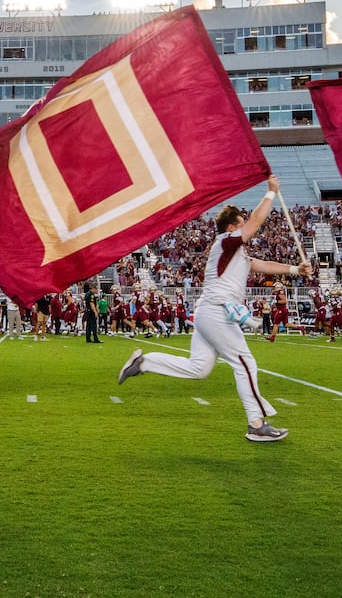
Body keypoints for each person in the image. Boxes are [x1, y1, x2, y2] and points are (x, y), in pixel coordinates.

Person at [117, 177, 313, 442]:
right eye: (241, 224)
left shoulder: (236, 252)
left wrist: (294, 270)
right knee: (245, 363)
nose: (245, 228)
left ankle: (144, 362)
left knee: (199, 368)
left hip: (211, 313)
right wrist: (270, 193)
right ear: (232, 227)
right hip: (217, 312)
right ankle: (256, 424)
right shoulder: (225, 242)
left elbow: (262, 264)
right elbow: (255, 223)